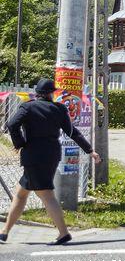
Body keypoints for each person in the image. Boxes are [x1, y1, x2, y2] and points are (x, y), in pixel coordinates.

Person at [1, 78, 101, 245]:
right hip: (52, 154)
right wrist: (90, 150)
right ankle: (4, 232)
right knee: (20, 193)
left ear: (36, 93)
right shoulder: (59, 109)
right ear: (51, 93)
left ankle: (63, 233)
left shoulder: (28, 107)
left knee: (46, 194)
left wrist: (19, 143)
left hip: (33, 156)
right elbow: (72, 132)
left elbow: (12, 124)